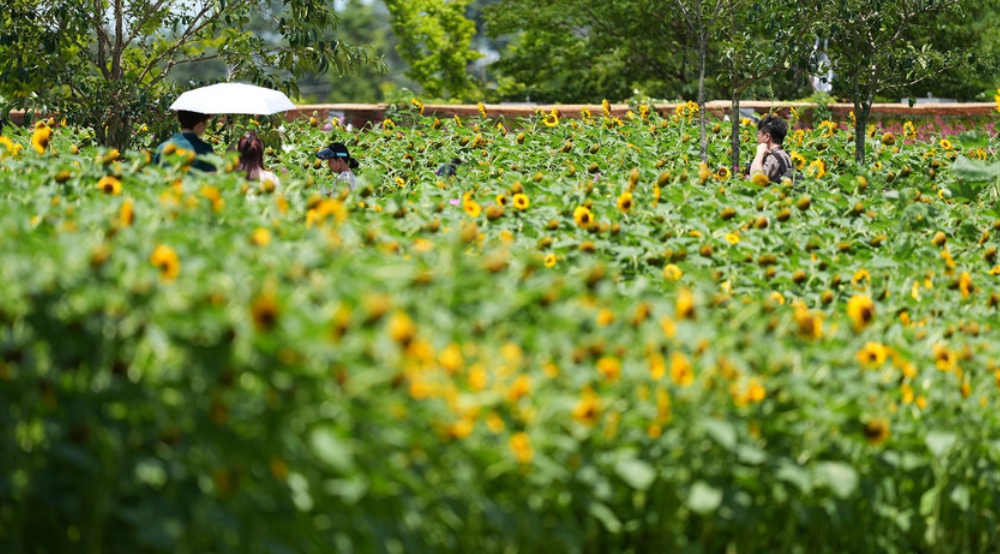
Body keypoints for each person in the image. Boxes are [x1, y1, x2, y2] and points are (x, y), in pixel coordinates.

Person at [748, 114, 793, 183]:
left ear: (766, 137)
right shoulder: (787, 155)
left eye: (758, 134)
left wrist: (759, 153)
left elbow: (756, 180)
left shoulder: (772, 158)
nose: (757, 137)